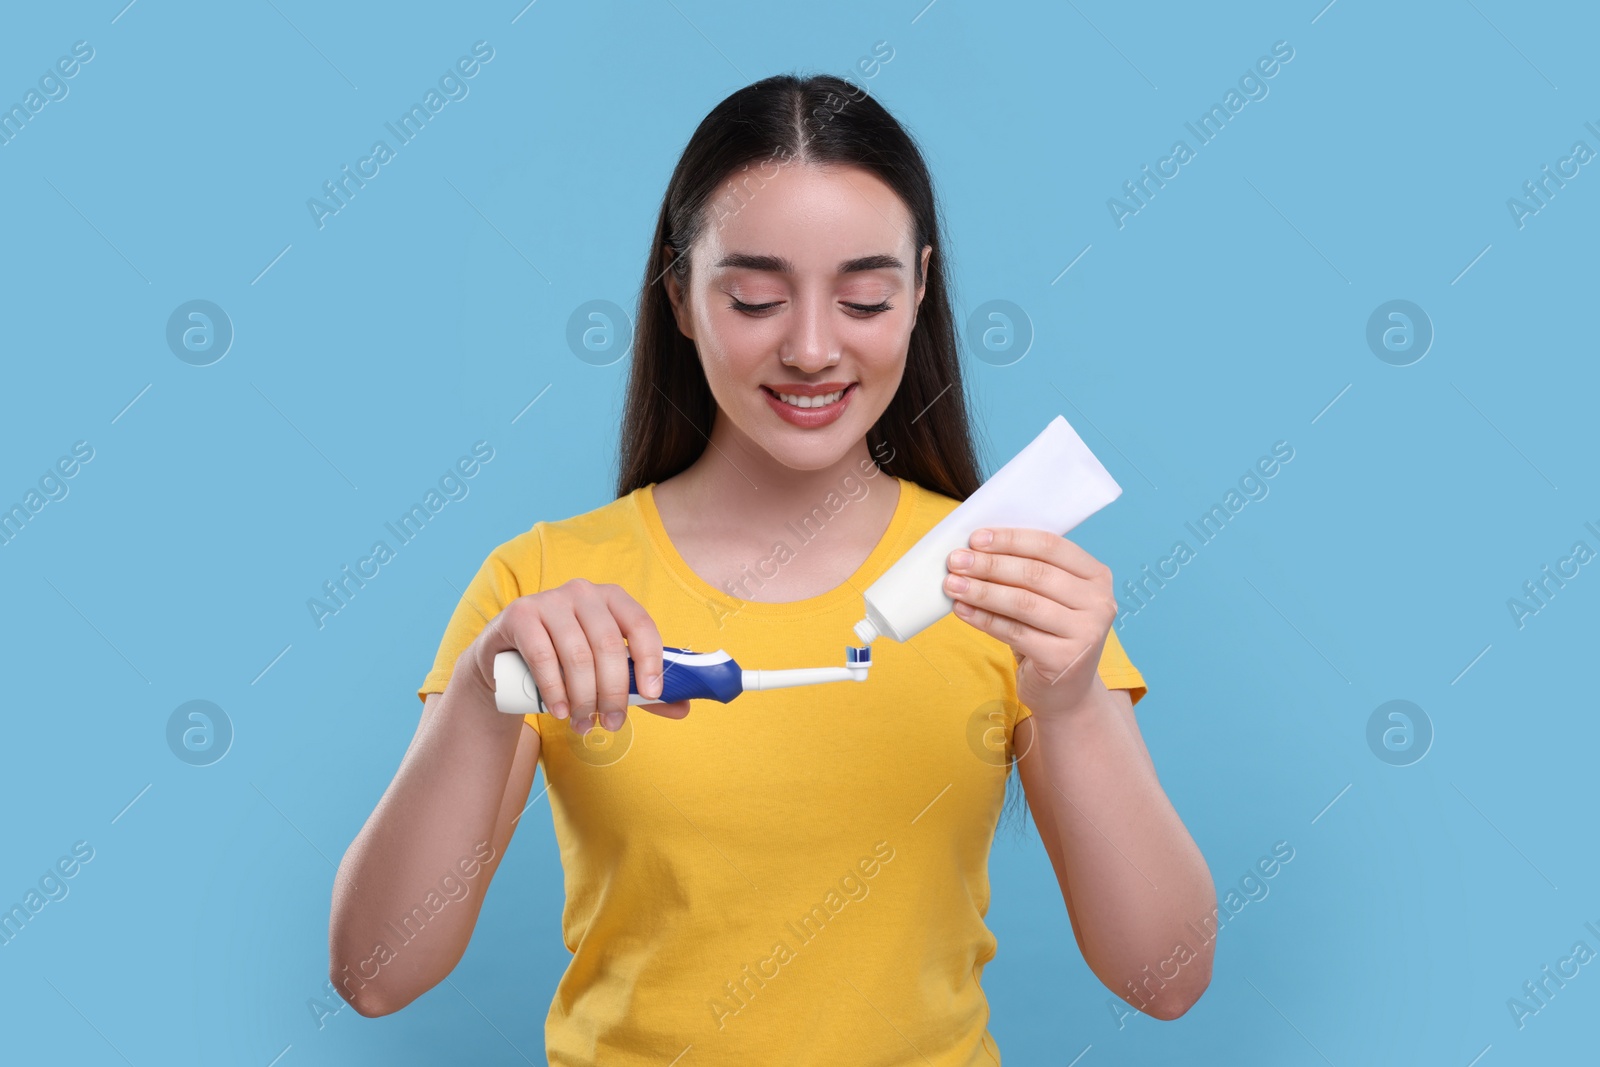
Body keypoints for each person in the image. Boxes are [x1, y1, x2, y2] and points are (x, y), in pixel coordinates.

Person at [329, 72, 1215, 1064]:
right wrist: (482, 692)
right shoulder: (543, 583)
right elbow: (375, 972)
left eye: (864, 297)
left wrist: (1075, 705)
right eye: (753, 296)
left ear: (920, 292)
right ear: (677, 294)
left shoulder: (1005, 584)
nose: (808, 346)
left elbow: (1165, 977)